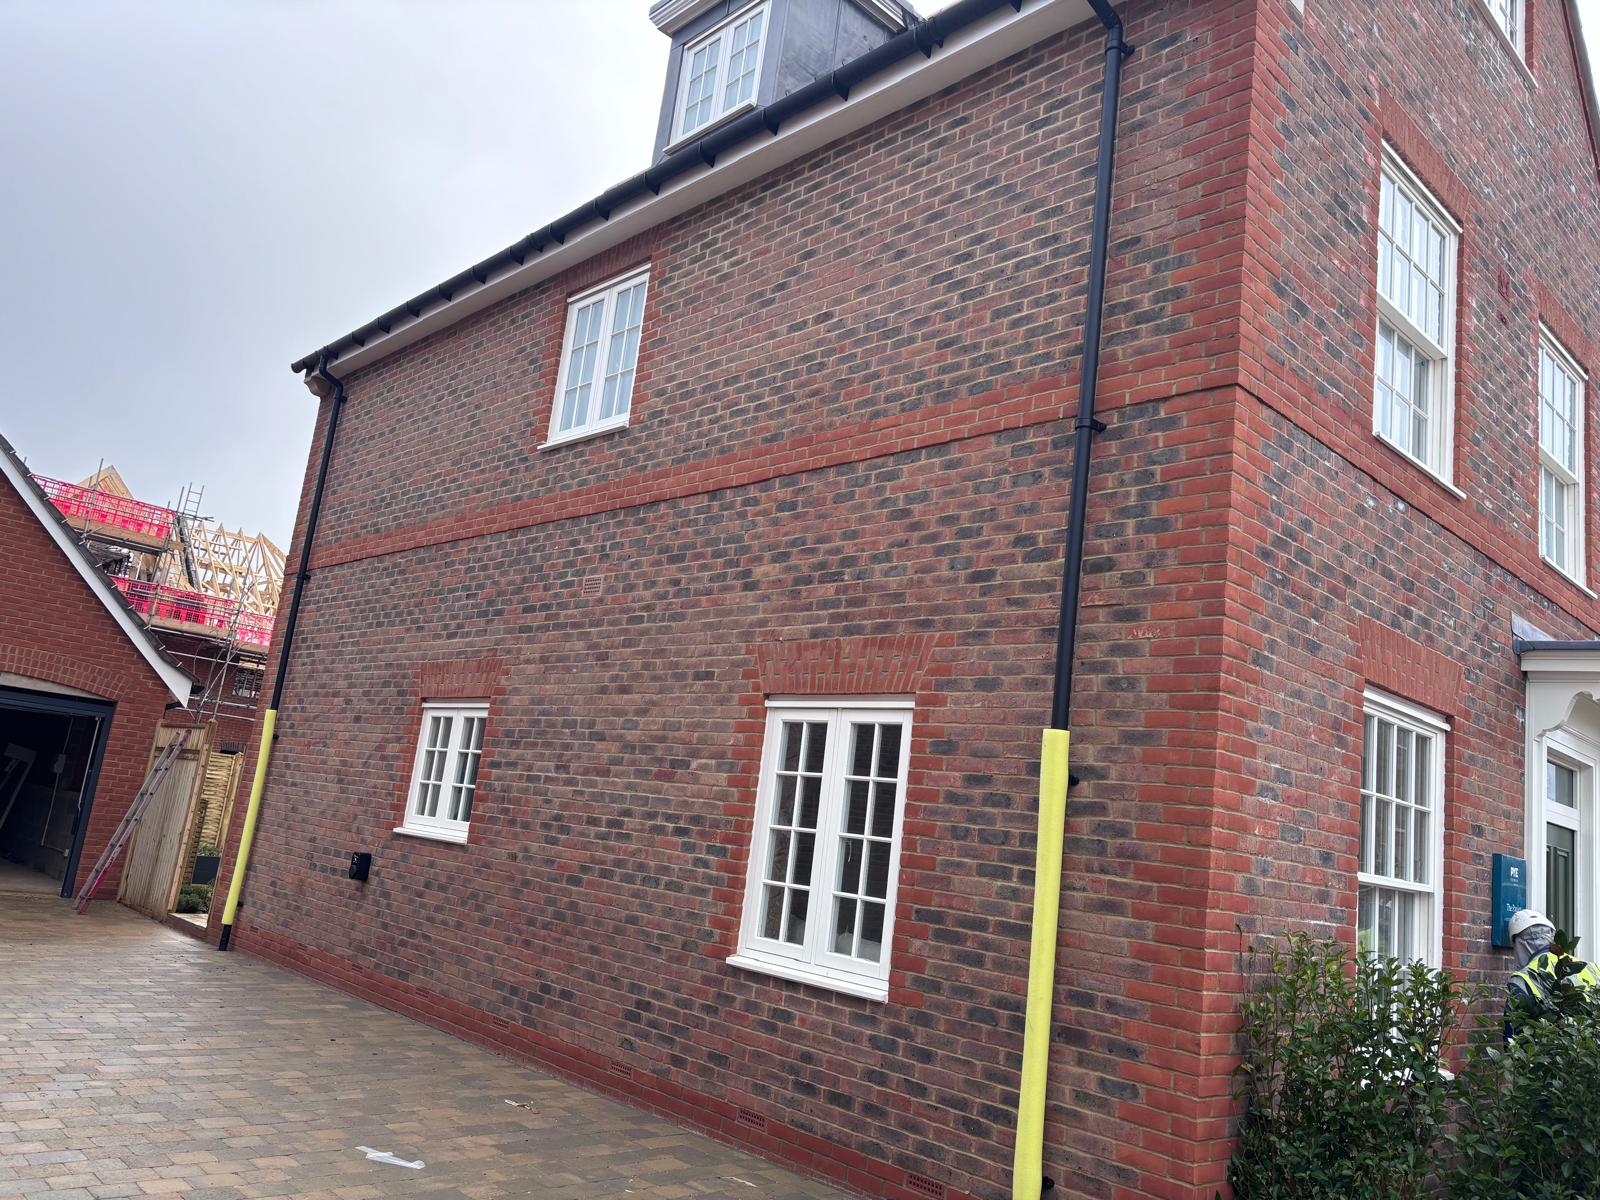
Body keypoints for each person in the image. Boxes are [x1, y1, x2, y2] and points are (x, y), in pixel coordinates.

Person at [1504, 909, 1600, 1039]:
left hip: (1555, 1056)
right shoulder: (1588, 967)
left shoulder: (1522, 979)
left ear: (1519, 944)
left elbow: (1513, 1037)